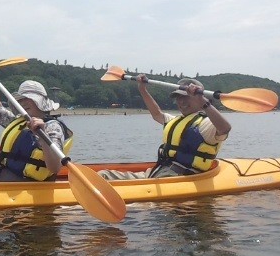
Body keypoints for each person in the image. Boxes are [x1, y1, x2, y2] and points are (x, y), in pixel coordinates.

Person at [99, 76, 231, 180]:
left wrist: (203, 101)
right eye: (178, 97)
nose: (181, 102)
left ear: (199, 98)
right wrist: (142, 89)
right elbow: (157, 114)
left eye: (186, 97)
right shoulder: (174, 120)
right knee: (103, 175)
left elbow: (225, 128)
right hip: (157, 172)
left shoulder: (207, 124)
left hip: (182, 177)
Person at [0, 64, 73, 182]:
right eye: (21, 99)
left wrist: (42, 135)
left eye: (29, 98)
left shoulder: (53, 127)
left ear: (41, 102)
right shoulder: (20, 122)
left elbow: (55, 167)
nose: (23, 102)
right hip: (4, 181)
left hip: (29, 188)